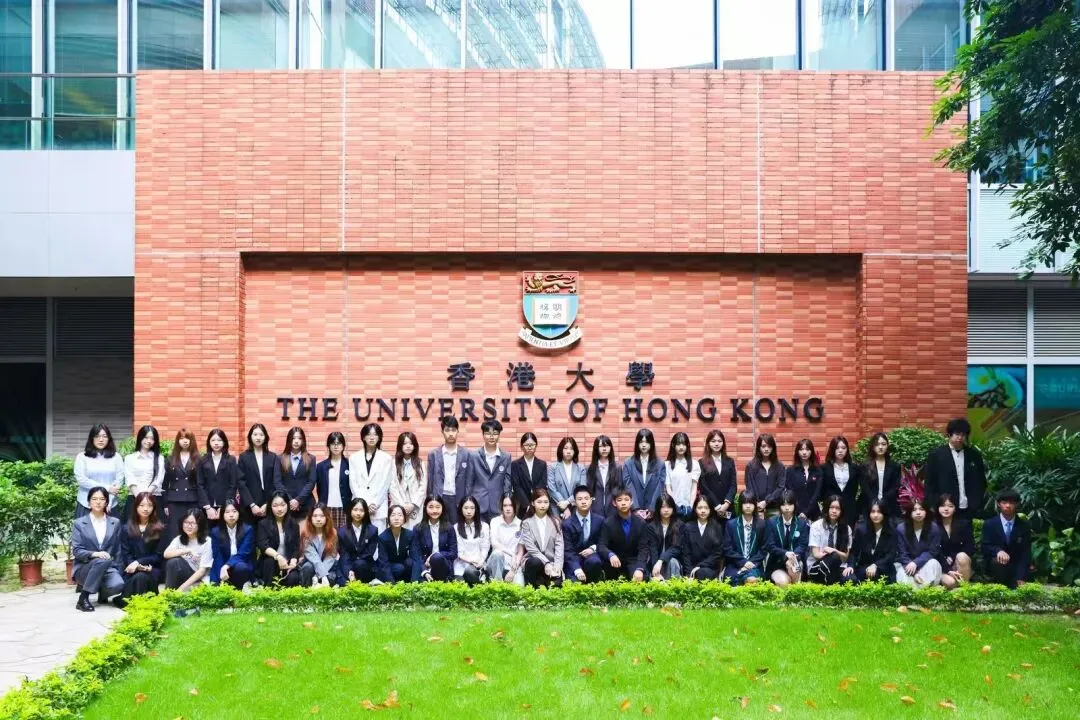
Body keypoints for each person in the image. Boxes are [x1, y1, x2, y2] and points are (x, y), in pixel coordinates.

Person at [72, 486, 125, 611]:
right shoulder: (79, 523)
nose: (98, 502)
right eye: (94, 499)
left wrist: (120, 572)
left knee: (118, 584)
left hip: (107, 567)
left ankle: (103, 593)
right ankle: (83, 598)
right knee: (102, 560)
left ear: (106, 502)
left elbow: (117, 551)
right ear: (89, 502)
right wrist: (95, 554)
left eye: (102, 499)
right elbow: (77, 550)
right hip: (84, 568)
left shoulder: (115, 522)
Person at [924, 418, 987, 521]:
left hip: (968, 508)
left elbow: (981, 481)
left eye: (963, 435)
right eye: (957, 434)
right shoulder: (937, 455)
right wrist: (933, 503)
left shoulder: (974, 455)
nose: (960, 438)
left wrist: (976, 502)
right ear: (949, 434)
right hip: (944, 507)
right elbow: (930, 482)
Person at [119, 491, 164, 605]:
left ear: (154, 508)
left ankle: (131, 602)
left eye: (149, 505)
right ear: (136, 507)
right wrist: (135, 565)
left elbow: (158, 555)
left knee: (142, 576)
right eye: (142, 505)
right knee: (139, 576)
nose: (146, 509)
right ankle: (141, 604)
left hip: (152, 568)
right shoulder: (126, 528)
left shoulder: (160, 528)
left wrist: (139, 563)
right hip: (130, 568)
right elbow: (125, 553)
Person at [981, 488, 1032, 589]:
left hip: (1016, 566)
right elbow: (985, 546)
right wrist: (998, 551)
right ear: (998, 504)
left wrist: (1021, 577)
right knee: (998, 561)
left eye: (1011, 503)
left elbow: (1025, 553)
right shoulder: (990, 524)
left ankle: (1016, 582)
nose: (1008, 506)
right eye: (1004, 503)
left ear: (1017, 504)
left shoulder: (1023, 526)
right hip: (996, 566)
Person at [255, 492, 308, 587]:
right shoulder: (263, 524)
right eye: (275, 506)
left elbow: (296, 547)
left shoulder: (294, 525)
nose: (279, 509)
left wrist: (293, 560)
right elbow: (263, 546)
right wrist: (278, 557)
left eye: (283, 505)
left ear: (287, 505)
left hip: (288, 563)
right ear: (270, 507)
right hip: (271, 563)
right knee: (270, 562)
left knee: (293, 577)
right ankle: (268, 591)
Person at [597, 486, 649, 581]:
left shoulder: (641, 523)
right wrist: (610, 555)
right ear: (614, 503)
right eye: (619, 500)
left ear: (631, 501)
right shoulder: (608, 523)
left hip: (633, 560)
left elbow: (644, 548)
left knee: (641, 578)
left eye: (626, 499)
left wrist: (639, 568)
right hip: (614, 559)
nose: (623, 503)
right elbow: (601, 545)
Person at [350, 423, 394, 531]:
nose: (372, 437)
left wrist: (374, 504)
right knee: (358, 538)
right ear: (363, 437)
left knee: (378, 539)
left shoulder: (386, 458)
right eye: (369, 434)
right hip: (359, 508)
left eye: (375, 434)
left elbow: (385, 484)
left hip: (378, 508)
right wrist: (364, 504)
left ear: (379, 438)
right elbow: (353, 483)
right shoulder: (354, 458)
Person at [426, 416, 470, 525]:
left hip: (458, 498)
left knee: (457, 528)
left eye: (453, 430)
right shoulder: (434, 454)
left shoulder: (466, 454)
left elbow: (469, 481)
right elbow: (430, 481)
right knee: (439, 528)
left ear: (458, 431)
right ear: (442, 432)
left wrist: (467, 500)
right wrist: (430, 500)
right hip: (439, 497)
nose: (450, 434)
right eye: (447, 430)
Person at [74, 424, 124, 518]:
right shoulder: (82, 457)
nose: (101, 440)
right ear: (91, 438)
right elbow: (81, 480)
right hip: (86, 504)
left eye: (104, 436)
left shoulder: (116, 457)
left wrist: (109, 501)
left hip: (110, 505)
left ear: (109, 439)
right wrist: (107, 488)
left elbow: (119, 481)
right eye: (97, 436)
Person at [842, 499, 896, 584]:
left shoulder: (891, 532)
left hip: (883, 568)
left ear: (884, 514)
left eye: (879, 512)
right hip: (864, 567)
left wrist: (876, 565)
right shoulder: (861, 530)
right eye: (873, 512)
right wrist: (850, 566)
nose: (875, 515)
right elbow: (854, 552)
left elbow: (891, 555)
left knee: (874, 576)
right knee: (847, 578)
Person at [469, 420, 512, 523]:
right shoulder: (474, 456)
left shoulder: (506, 457)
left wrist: (507, 502)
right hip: (478, 504)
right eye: (488, 433)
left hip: (498, 505)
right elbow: (469, 482)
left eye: (495, 433)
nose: (491, 437)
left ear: (499, 435)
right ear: (483, 435)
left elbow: (507, 483)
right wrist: (469, 502)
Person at [162, 429, 200, 544]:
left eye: (187, 438)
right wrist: (165, 504)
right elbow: (165, 483)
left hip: (193, 499)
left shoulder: (198, 459)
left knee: (192, 530)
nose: (185, 441)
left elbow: (201, 483)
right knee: (174, 531)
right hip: (174, 500)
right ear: (178, 440)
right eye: (182, 438)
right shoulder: (170, 459)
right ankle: (174, 554)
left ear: (192, 440)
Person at [520, 487, 564, 588]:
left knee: (557, 585)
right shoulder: (526, 523)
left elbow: (559, 546)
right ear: (533, 503)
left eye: (545, 502)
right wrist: (546, 563)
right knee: (535, 563)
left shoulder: (556, 522)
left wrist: (557, 566)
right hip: (534, 562)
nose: (543, 505)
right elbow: (531, 548)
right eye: (539, 502)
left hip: (552, 563)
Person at [764, 489, 809, 586]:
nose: (787, 508)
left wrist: (793, 556)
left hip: (796, 561)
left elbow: (803, 545)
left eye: (790, 504)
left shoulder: (802, 524)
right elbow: (769, 545)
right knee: (784, 582)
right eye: (783, 505)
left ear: (795, 505)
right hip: (777, 563)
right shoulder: (772, 522)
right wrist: (785, 554)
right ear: (779, 506)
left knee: (793, 568)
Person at [238, 423, 280, 525]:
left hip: (268, 504)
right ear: (250, 437)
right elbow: (241, 483)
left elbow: (276, 481)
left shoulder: (273, 457)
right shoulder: (243, 457)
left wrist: (268, 504)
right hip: (249, 506)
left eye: (261, 435)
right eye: (255, 434)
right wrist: (252, 505)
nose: (258, 437)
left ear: (265, 437)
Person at [894, 499, 943, 587]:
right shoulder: (901, 528)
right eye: (914, 510)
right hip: (907, 564)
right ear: (909, 513)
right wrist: (914, 572)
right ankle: (915, 593)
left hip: (925, 562)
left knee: (934, 563)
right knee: (901, 574)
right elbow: (902, 553)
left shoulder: (934, 528)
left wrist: (916, 563)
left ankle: (927, 592)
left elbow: (933, 551)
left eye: (921, 509)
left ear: (926, 511)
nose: (918, 512)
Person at [562, 485, 605, 584]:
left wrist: (593, 548)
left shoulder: (600, 520)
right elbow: (568, 550)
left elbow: (603, 541)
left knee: (595, 561)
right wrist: (577, 569)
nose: (584, 502)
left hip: (592, 557)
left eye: (586, 498)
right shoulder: (567, 524)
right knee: (575, 585)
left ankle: (593, 585)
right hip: (573, 559)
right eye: (580, 499)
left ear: (591, 500)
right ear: (574, 502)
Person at [162, 508, 213, 592]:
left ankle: (169, 594)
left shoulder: (207, 541)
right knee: (173, 562)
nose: (189, 526)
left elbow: (202, 571)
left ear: (200, 524)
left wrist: (181, 588)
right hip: (183, 573)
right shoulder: (179, 539)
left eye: (193, 523)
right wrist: (187, 550)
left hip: (199, 577)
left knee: (175, 562)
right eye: (186, 522)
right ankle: (168, 594)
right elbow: (166, 554)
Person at [122, 425, 165, 521]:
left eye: (152, 439)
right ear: (140, 438)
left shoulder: (159, 458)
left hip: (154, 498)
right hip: (134, 498)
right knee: (132, 528)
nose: (149, 441)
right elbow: (130, 478)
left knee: (154, 529)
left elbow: (158, 479)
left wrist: (147, 497)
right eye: (146, 437)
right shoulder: (130, 458)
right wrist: (140, 498)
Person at [723, 491, 766, 586]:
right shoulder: (731, 524)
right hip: (735, 564)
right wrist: (743, 563)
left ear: (755, 505)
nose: (748, 506)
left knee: (752, 579)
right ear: (740, 505)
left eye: (751, 503)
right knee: (733, 581)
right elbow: (727, 549)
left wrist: (751, 563)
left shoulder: (762, 524)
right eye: (745, 503)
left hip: (755, 564)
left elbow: (764, 549)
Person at [197, 428, 239, 524]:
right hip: (207, 506)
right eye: (213, 440)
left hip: (225, 507)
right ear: (209, 442)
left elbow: (233, 485)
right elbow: (200, 484)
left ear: (224, 442)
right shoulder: (202, 460)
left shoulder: (231, 460)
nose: (216, 443)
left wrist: (225, 507)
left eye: (219, 440)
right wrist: (207, 507)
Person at [806, 495, 851, 585]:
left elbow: (845, 557)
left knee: (851, 580)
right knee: (834, 558)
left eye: (837, 508)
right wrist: (833, 556)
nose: (834, 511)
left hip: (839, 566)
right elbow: (816, 554)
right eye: (831, 507)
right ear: (827, 508)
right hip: (817, 566)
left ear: (841, 511)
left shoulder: (846, 528)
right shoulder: (816, 526)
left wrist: (834, 551)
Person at [411, 496, 458, 582]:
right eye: (431, 507)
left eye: (438, 507)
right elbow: (417, 554)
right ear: (425, 508)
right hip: (425, 566)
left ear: (442, 508)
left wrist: (436, 555)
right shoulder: (418, 528)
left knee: (437, 558)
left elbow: (454, 553)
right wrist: (424, 571)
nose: (434, 510)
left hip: (443, 565)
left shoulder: (449, 528)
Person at [678, 495, 724, 581]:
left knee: (702, 572)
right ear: (695, 509)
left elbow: (718, 553)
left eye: (706, 508)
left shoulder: (716, 527)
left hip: (710, 567)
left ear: (710, 509)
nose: (703, 511)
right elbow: (686, 554)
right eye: (699, 508)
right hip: (691, 568)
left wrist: (700, 566)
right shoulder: (688, 527)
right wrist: (689, 573)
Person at [210, 500, 254, 590]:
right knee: (215, 587)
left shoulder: (248, 529)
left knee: (241, 567)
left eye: (234, 511)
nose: (231, 515)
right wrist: (221, 572)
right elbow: (217, 556)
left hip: (241, 564)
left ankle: (240, 589)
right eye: (227, 512)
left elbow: (243, 554)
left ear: (239, 513)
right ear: (222, 514)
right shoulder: (215, 531)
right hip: (222, 565)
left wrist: (227, 565)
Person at [623, 429, 665, 521]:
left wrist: (652, 508)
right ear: (637, 443)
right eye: (641, 442)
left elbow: (660, 487)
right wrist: (636, 508)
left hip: (654, 514)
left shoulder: (660, 464)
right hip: (634, 513)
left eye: (647, 442)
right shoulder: (628, 463)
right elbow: (628, 486)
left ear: (652, 443)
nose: (644, 445)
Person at [277, 426, 318, 518]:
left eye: (299, 438)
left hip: (306, 504)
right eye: (293, 438)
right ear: (289, 440)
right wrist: (290, 500)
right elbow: (278, 482)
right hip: (286, 504)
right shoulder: (280, 458)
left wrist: (298, 500)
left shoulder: (311, 458)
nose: (296, 441)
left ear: (303, 441)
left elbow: (311, 482)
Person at [936, 493, 974, 589]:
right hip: (942, 564)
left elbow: (969, 547)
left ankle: (965, 589)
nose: (946, 509)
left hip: (959, 562)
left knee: (962, 556)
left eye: (950, 506)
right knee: (951, 583)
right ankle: (955, 588)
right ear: (938, 508)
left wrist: (953, 558)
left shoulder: (964, 524)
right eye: (943, 506)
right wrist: (947, 567)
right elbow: (933, 550)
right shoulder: (932, 526)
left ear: (955, 508)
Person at [314, 431, 352, 529]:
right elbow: (319, 488)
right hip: (327, 507)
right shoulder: (321, 466)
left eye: (339, 443)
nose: (336, 446)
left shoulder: (350, 465)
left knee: (344, 535)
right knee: (328, 535)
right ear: (328, 446)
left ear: (343, 446)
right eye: (333, 443)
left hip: (345, 508)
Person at [860, 432, 900, 520]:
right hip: (870, 505)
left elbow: (895, 486)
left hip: (889, 505)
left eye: (883, 444)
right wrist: (875, 502)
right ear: (873, 447)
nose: (880, 447)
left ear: (887, 446)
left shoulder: (895, 466)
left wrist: (884, 500)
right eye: (877, 444)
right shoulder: (865, 466)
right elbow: (864, 487)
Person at [338, 497, 379, 584]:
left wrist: (353, 569)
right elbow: (344, 555)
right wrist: (349, 571)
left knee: (360, 564)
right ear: (350, 511)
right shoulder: (342, 532)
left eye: (361, 510)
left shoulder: (373, 530)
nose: (358, 513)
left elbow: (369, 553)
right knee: (342, 581)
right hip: (348, 565)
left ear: (365, 512)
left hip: (365, 565)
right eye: (355, 510)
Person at [698, 430, 736, 523]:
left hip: (728, 508)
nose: (716, 444)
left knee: (728, 530)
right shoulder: (701, 462)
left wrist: (726, 504)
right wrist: (718, 506)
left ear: (723, 443)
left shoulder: (730, 461)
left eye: (719, 441)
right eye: (713, 441)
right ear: (708, 443)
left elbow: (733, 484)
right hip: (711, 508)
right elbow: (703, 487)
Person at [390, 432, 425, 529]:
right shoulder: (393, 463)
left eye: (411, 443)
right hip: (398, 505)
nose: (408, 446)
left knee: (414, 532)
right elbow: (392, 486)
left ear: (415, 446)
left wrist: (413, 504)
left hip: (415, 507)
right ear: (400, 446)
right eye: (405, 444)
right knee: (398, 531)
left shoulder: (420, 463)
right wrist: (401, 506)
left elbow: (423, 487)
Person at [821, 435, 860, 524]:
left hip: (849, 510)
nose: (840, 450)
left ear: (847, 450)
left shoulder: (855, 468)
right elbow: (822, 490)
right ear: (832, 449)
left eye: (843, 448)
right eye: (837, 448)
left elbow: (855, 489)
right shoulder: (824, 468)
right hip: (831, 510)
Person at [744, 434, 784, 515]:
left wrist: (766, 501)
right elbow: (749, 486)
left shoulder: (779, 466)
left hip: (774, 508)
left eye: (769, 446)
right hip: (756, 507)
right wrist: (757, 503)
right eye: (763, 446)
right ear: (759, 447)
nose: (766, 449)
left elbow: (781, 487)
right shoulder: (751, 466)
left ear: (773, 448)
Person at [300, 504, 340, 587]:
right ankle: (306, 592)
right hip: (311, 564)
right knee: (308, 567)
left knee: (330, 578)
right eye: (315, 516)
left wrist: (317, 576)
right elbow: (312, 556)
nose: (318, 519)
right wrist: (322, 575)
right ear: (310, 518)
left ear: (327, 517)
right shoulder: (305, 533)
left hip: (328, 565)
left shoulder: (333, 532)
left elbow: (331, 556)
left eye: (322, 516)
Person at [454, 496, 490, 586]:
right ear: (461, 509)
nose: (469, 511)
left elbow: (485, 548)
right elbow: (459, 552)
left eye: (472, 508)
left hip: (478, 564)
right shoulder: (455, 527)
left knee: (470, 572)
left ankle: (482, 579)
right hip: (461, 565)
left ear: (476, 509)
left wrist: (481, 561)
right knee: (460, 586)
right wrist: (471, 560)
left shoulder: (484, 526)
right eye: (466, 508)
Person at [664, 432, 701, 522]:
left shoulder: (694, 464)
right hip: (673, 507)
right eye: (678, 444)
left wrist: (690, 506)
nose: (681, 447)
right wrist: (675, 506)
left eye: (684, 444)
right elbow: (668, 488)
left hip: (689, 507)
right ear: (673, 445)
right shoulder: (667, 465)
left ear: (687, 446)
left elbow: (694, 488)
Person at [510, 432, 547, 520]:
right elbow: (516, 486)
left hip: (539, 505)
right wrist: (527, 505)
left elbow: (542, 483)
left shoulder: (542, 464)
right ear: (521, 447)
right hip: (522, 506)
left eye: (532, 445)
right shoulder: (515, 464)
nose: (529, 447)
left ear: (536, 445)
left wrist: (535, 502)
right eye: (526, 445)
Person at [646, 494, 682, 580]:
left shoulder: (680, 525)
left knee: (673, 562)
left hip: (673, 561)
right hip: (655, 562)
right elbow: (653, 550)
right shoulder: (651, 526)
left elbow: (676, 548)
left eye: (669, 507)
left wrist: (661, 560)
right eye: (663, 507)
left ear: (673, 509)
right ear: (658, 508)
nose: (666, 510)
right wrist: (656, 567)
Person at [487, 494, 523, 583]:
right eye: (505, 505)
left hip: (513, 563)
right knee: (497, 553)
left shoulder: (521, 524)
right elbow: (494, 543)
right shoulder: (495, 521)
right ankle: (497, 585)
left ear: (515, 506)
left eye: (511, 505)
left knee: (519, 586)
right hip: (496, 561)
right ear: (501, 507)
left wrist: (513, 570)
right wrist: (512, 554)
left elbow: (520, 550)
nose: (508, 508)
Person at [785, 438, 823, 522]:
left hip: (814, 513)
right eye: (801, 449)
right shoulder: (790, 471)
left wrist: (806, 512)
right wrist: (800, 511)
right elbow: (790, 493)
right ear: (797, 452)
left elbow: (817, 494)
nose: (804, 452)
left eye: (807, 449)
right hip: (795, 513)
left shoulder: (818, 471)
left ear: (811, 451)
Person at [548, 436, 585, 519]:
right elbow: (552, 489)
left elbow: (581, 489)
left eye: (571, 449)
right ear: (561, 450)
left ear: (575, 451)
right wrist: (564, 507)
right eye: (565, 448)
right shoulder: (553, 467)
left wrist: (568, 502)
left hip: (575, 507)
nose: (568, 451)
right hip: (557, 507)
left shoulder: (581, 468)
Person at [378, 505, 417, 583]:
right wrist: (391, 584)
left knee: (410, 562)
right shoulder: (382, 537)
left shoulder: (410, 534)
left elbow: (415, 556)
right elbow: (383, 563)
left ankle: (408, 583)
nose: (396, 518)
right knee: (399, 568)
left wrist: (415, 581)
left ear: (404, 518)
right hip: (389, 566)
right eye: (393, 515)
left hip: (403, 564)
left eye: (400, 515)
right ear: (389, 518)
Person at [586, 435, 621, 519]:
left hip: (613, 510)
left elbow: (620, 488)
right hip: (595, 510)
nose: (604, 449)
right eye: (601, 446)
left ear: (610, 448)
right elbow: (588, 490)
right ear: (596, 448)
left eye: (607, 446)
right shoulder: (589, 469)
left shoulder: (617, 468)